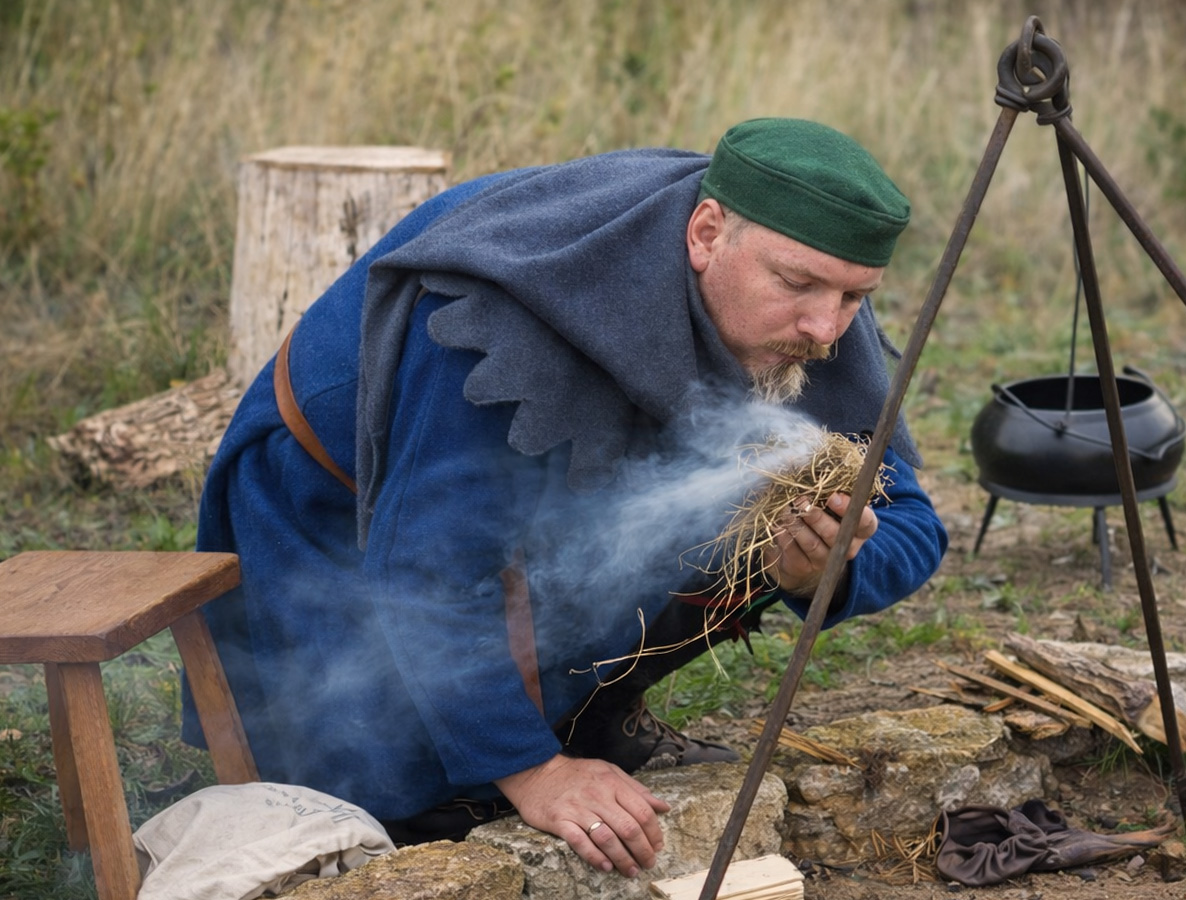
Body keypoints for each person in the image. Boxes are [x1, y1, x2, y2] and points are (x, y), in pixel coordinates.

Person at [184, 118, 948, 879]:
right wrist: (532, 772)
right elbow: (427, 563)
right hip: (332, 516)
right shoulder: (508, 320)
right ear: (707, 233)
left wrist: (820, 571)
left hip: (527, 505)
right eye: (799, 285)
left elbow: (910, 520)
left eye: (855, 295)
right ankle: (495, 757)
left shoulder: (807, 302)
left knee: (741, 506)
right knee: (382, 782)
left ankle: (587, 716)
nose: (825, 327)